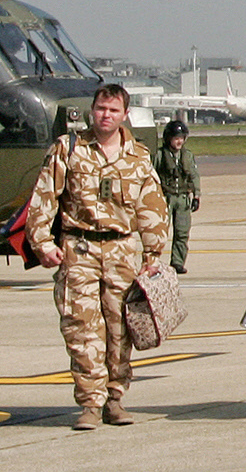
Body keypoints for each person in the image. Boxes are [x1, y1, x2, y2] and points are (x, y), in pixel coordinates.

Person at [26, 85, 169, 430]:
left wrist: (153, 253)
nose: (106, 115)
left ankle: (115, 399)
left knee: (121, 328)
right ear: (92, 111)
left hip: (121, 249)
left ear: (124, 115)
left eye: (113, 110)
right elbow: (44, 196)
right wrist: (42, 242)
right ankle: (90, 402)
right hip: (79, 249)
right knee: (81, 328)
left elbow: (152, 206)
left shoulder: (137, 155)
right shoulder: (69, 149)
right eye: (101, 108)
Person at [152, 119, 199, 275]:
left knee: (182, 232)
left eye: (181, 137)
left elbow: (194, 176)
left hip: (183, 199)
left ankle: (177, 262)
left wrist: (197, 195)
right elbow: (151, 175)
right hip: (165, 198)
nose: (179, 141)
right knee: (158, 232)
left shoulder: (188, 156)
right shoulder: (159, 155)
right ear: (168, 138)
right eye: (176, 137)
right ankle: (153, 262)